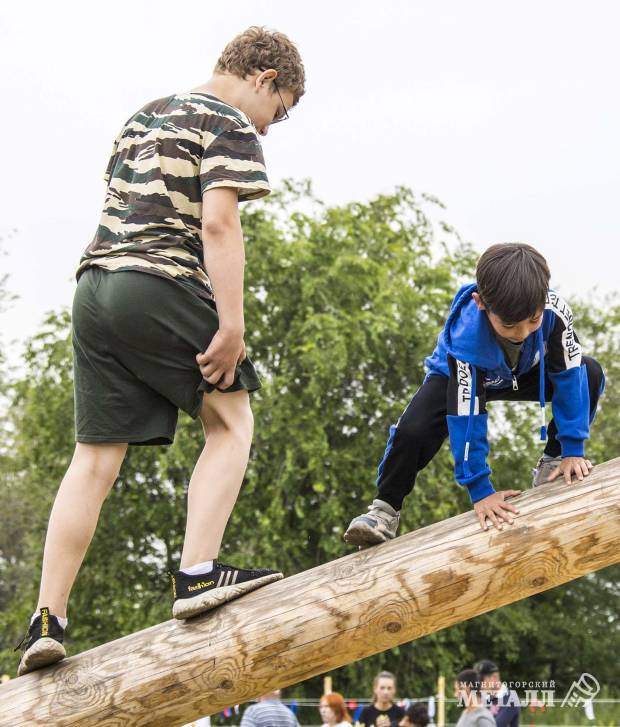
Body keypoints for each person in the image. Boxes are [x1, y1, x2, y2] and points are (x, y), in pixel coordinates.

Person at [15, 26, 306, 677]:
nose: (269, 129)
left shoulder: (144, 114)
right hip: (157, 282)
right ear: (265, 76)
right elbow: (218, 223)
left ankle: (45, 619)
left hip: (92, 290)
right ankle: (197, 574)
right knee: (231, 420)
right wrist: (230, 322)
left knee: (93, 459)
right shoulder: (228, 121)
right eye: (279, 111)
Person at [344, 243, 605, 545]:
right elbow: (467, 415)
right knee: (412, 431)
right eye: (509, 324)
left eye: (532, 321)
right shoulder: (467, 336)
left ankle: (553, 460)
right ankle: (384, 510)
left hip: (523, 373)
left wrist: (573, 449)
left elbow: (569, 376)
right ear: (481, 303)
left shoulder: (555, 312)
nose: (522, 333)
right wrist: (481, 490)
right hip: (459, 376)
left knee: (590, 373)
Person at [475, 659, 520, 727]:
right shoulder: (485, 698)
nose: (478, 684)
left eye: (481, 680)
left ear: (494, 677)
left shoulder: (510, 698)